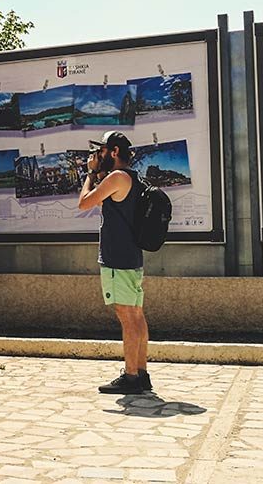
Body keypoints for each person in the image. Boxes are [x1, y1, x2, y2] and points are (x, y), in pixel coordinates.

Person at [77, 130, 151, 394]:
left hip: (117, 259)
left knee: (127, 317)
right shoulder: (131, 177)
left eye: (103, 151)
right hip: (131, 257)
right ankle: (141, 373)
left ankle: (131, 376)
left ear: (115, 152)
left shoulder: (116, 177)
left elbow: (84, 203)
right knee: (136, 316)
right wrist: (98, 174)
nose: (99, 156)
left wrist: (88, 174)